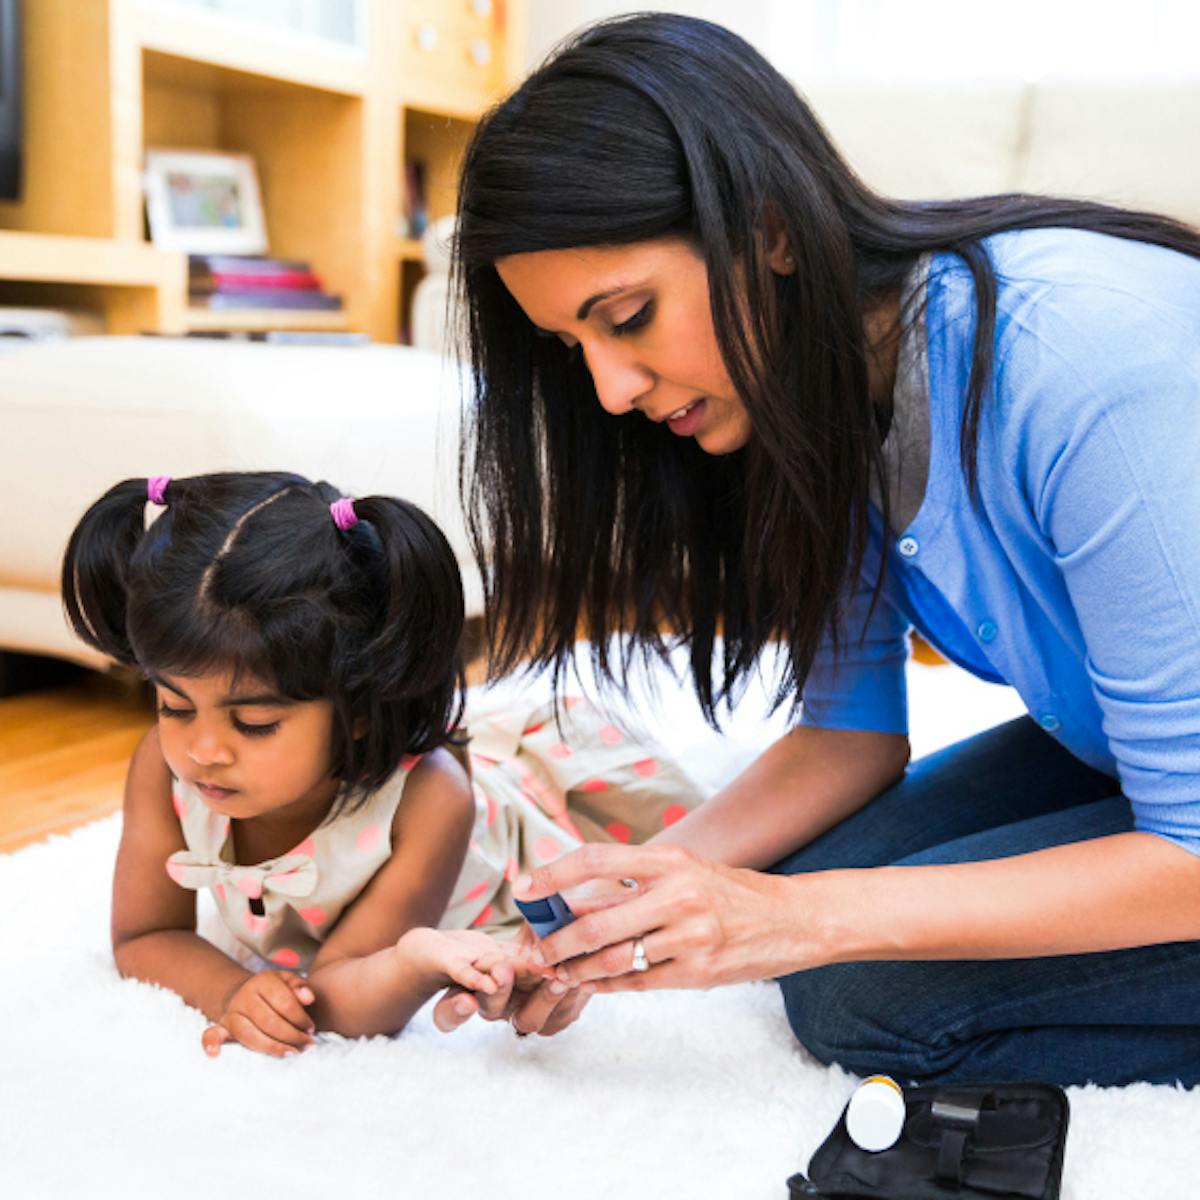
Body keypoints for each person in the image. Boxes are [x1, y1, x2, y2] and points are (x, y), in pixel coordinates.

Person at [433, 12, 1200, 1086]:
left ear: (771, 229)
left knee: (861, 994)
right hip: (1141, 769)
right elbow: (848, 739)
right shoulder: (824, 392)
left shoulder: (1078, 365)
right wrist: (611, 903)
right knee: (813, 889)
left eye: (630, 315)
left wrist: (795, 918)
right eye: (576, 347)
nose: (608, 392)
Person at [61, 471, 705, 1056]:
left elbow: (341, 998)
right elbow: (143, 936)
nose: (202, 750)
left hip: (522, 832)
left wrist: (417, 961)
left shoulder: (430, 802)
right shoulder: (163, 767)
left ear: (358, 709)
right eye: (174, 706)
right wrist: (231, 989)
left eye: (253, 723)